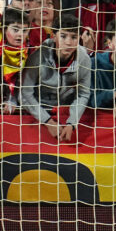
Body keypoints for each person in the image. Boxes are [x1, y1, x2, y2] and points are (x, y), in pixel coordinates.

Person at [21, 11, 92, 140]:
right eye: (63, 36)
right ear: (54, 36)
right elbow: (24, 93)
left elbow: (83, 93)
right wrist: (47, 121)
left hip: (66, 112)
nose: (69, 42)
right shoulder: (38, 57)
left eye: (74, 37)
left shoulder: (84, 59)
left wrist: (72, 122)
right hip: (38, 111)